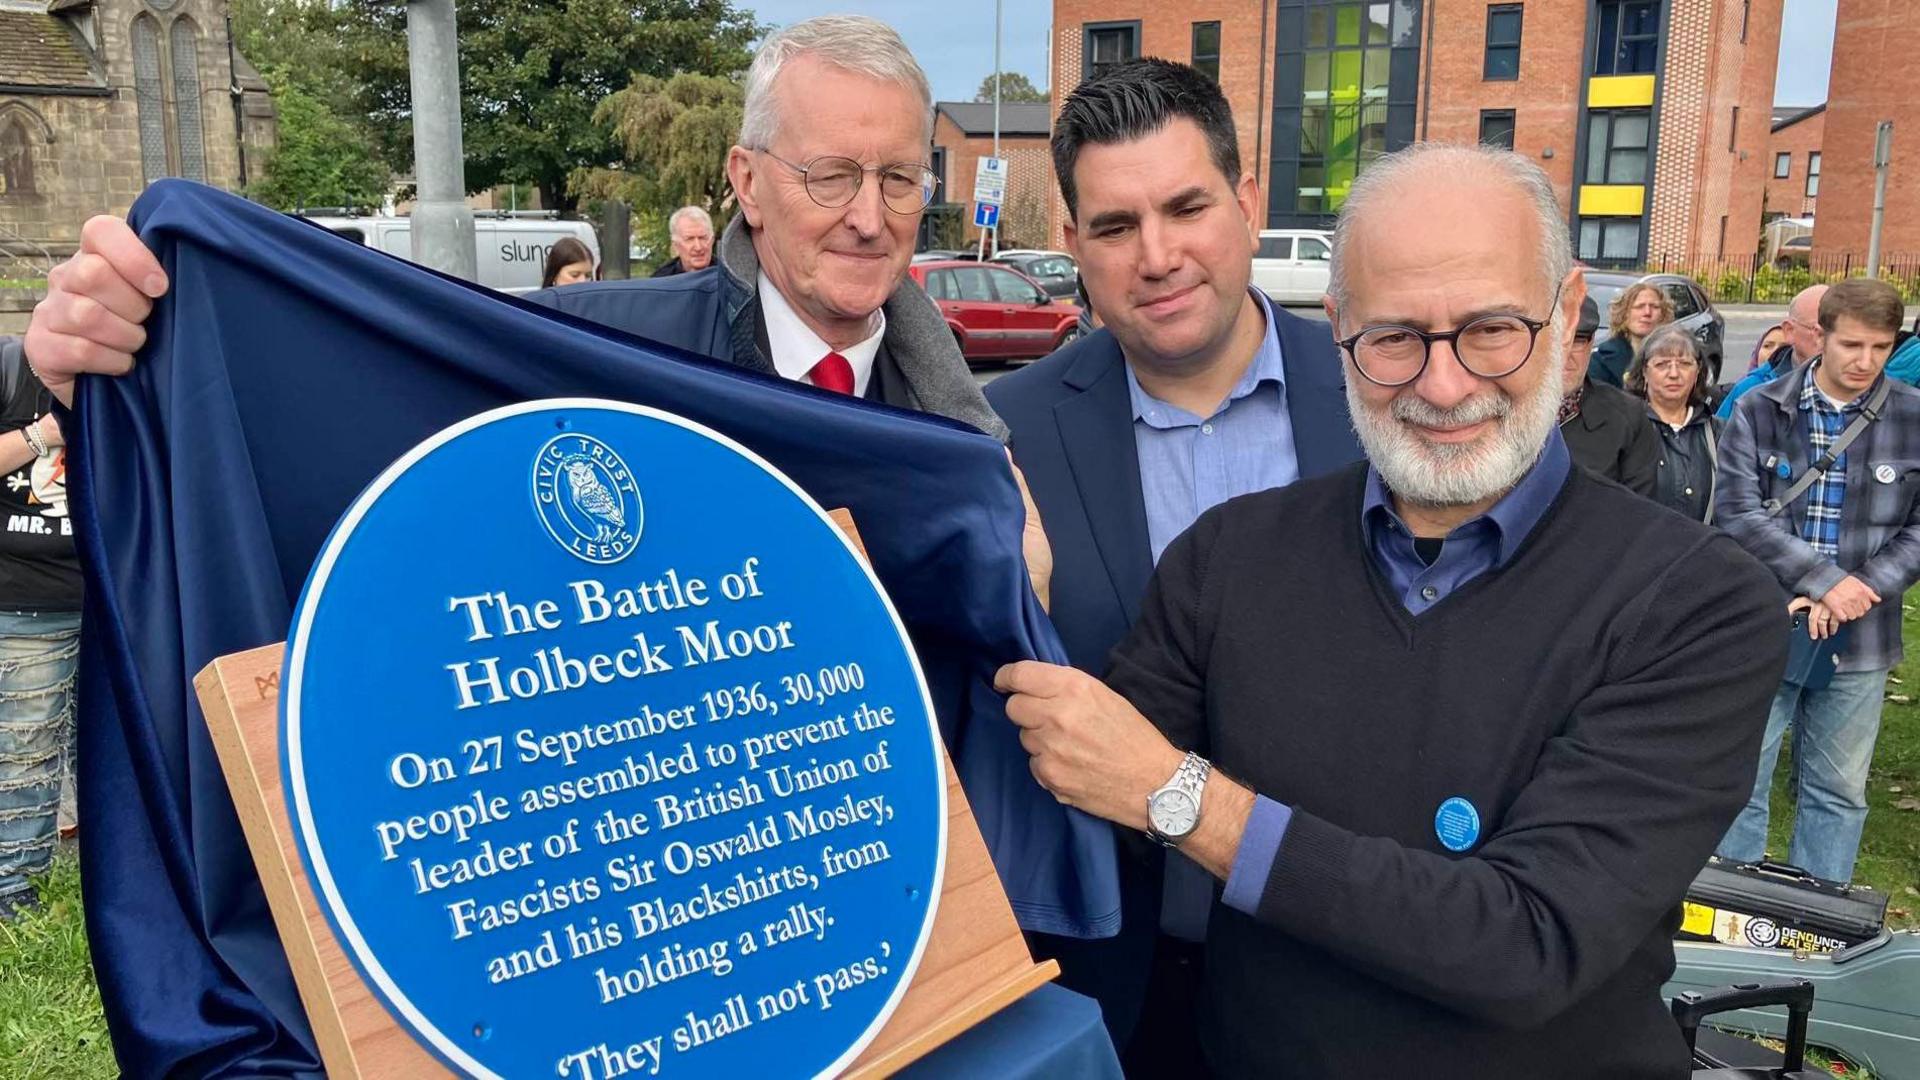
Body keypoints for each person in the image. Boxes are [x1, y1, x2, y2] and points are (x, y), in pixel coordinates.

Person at [993, 143, 1782, 1076]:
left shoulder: (1698, 603)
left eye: (1493, 330)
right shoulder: (1230, 555)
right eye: (1394, 338)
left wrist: (1187, 800)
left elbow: (1527, 940)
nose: (1444, 386)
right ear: (1338, 330)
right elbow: (1089, 787)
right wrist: (1011, 599)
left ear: (1570, 313)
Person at [983, 58, 1363, 1066]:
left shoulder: (1384, 398)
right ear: (1071, 243)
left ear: (1245, 202)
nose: (1156, 256)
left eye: (1185, 207)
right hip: (1113, 986)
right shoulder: (1000, 440)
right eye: (1114, 226)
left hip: (1350, 972)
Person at [1715, 278, 1920, 886]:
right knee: (1738, 780)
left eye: (1881, 348)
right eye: (1852, 344)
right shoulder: (1760, 408)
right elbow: (1738, 512)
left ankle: (1817, 923)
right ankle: (1734, 916)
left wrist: (1856, 591)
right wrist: (1824, 582)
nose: (1865, 361)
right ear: (1818, 336)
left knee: (1839, 789)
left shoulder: (1913, 415)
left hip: (1863, 634)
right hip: (1766, 623)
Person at [0, 336, 81, 923]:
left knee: (103, 747)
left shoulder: (132, 377)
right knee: (26, 748)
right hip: (25, 601)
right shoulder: (9, 371)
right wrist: (40, 435)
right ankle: (14, 892)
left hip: (115, 602)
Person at [1560, 295, 1658, 494]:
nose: (1566, 352)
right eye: (1556, 340)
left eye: (1578, 340)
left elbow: (1640, 510)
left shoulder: (1628, 416)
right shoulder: (1499, 412)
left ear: (1591, 344)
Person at [1626, 323, 1720, 522]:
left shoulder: (1718, 432)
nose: (1674, 374)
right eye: (1662, 364)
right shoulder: (1625, 428)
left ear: (1698, 371)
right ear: (1644, 371)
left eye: (1684, 364)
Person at [1719, 284, 1829, 418]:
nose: (1831, 340)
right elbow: (1721, 436)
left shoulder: (1858, 392)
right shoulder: (1751, 390)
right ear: (1789, 331)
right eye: (1819, 331)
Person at [1586, 280, 1672, 388]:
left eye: (1654, 307)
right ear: (1624, 314)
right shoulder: (1600, 362)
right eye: (1639, 306)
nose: (1647, 313)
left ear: (1663, 315)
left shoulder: (1677, 359)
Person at [650, 205, 715, 277]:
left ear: (712, 240)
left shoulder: (727, 275)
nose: (698, 247)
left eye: (703, 238)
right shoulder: (661, 280)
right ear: (675, 245)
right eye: (689, 239)